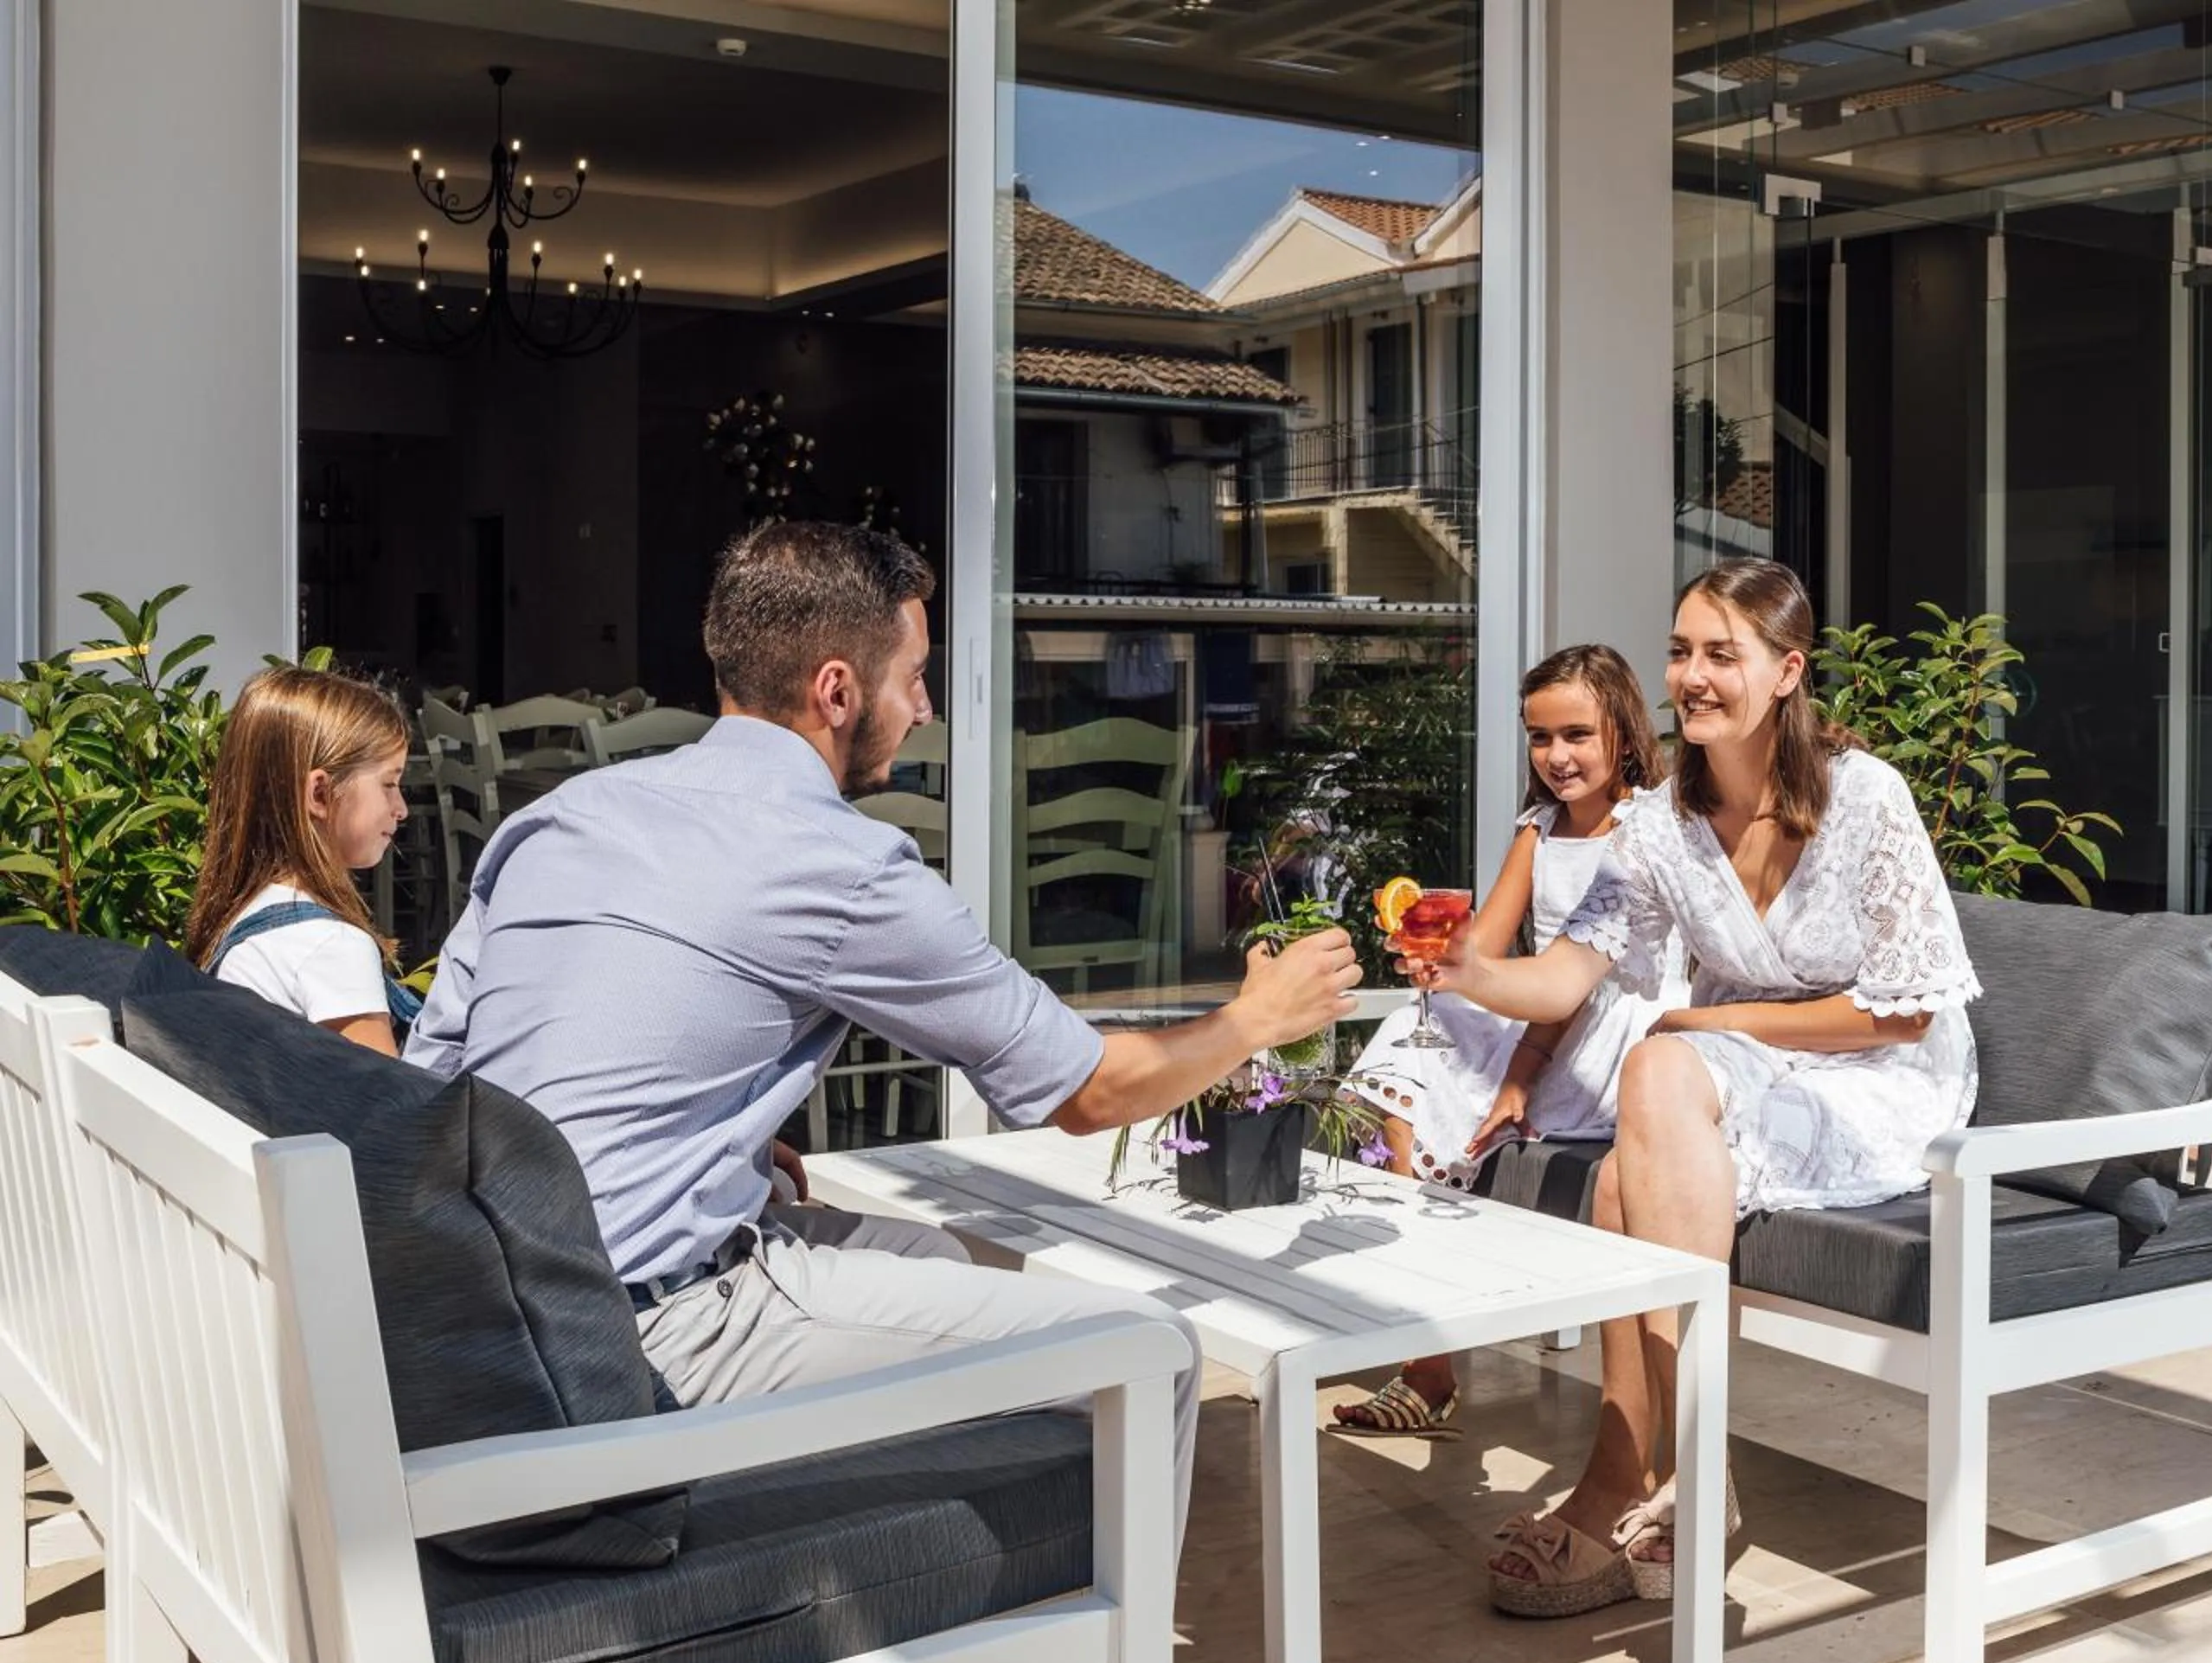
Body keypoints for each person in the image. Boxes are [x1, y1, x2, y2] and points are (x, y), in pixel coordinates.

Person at [406, 521, 1360, 1554]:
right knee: (1153, 1351)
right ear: (836, 690)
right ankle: (1093, 1661)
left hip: (477, 1315)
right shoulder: (838, 862)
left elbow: (440, 1075)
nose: (927, 706)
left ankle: (961, 1558)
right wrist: (1257, 1015)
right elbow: (1088, 1094)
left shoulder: (564, 815)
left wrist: (694, 1141)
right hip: (619, 1340)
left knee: (943, 1253)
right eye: (914, 675)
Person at [1422, 558, 1979, 1617]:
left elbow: (1904, 1010)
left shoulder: (1866, 798)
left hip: (1882, 1078)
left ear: (1787, 671)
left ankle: (1646, 1475)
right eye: (1681, 650)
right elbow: (1571, 973)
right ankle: (1669, 1472)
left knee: (1658, 1071)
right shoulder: (1659, 822)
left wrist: (1715, 1017)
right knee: (1622, 1175)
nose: (1692, 674)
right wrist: (1464, 968)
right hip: (1738, 1075)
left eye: (1723, 652)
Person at [1329, 643, 1685, 1438]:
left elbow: (1579, 981)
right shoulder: (1540, 829)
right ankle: (1427, 1351)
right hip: (1538, 1005)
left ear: (1623, 733)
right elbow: (1485, 948)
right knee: (1407, 1040)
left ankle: (1431, 1324)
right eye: (1539, 738)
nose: (1556, 757)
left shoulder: (1651, 829)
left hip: (1618, 1025)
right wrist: (1437, 959)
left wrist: (1521, 1063)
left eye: (1576, 735)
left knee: (1455, 1052)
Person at [186, 666, 419, 1054]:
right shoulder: (331, 946)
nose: (402, 809)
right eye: (389, 784)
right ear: (320, 794)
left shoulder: (246, 916)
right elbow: (391, 1109)